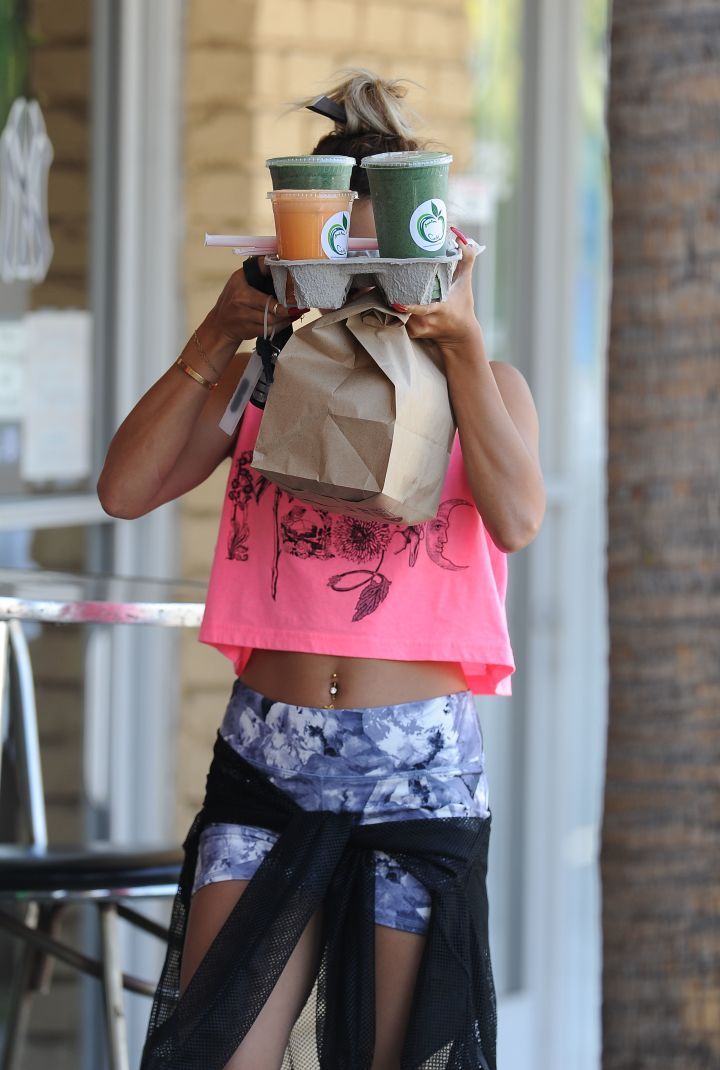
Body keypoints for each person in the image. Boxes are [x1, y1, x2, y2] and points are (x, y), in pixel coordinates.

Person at [98, 70, 544, 1070]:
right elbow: (124, 490)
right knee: (217, 1050)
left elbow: (517, 517)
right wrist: (220, 332)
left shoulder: (491, 385)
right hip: (268, 759)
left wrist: (463, 351)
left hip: (418, 774)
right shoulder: (265, 380)